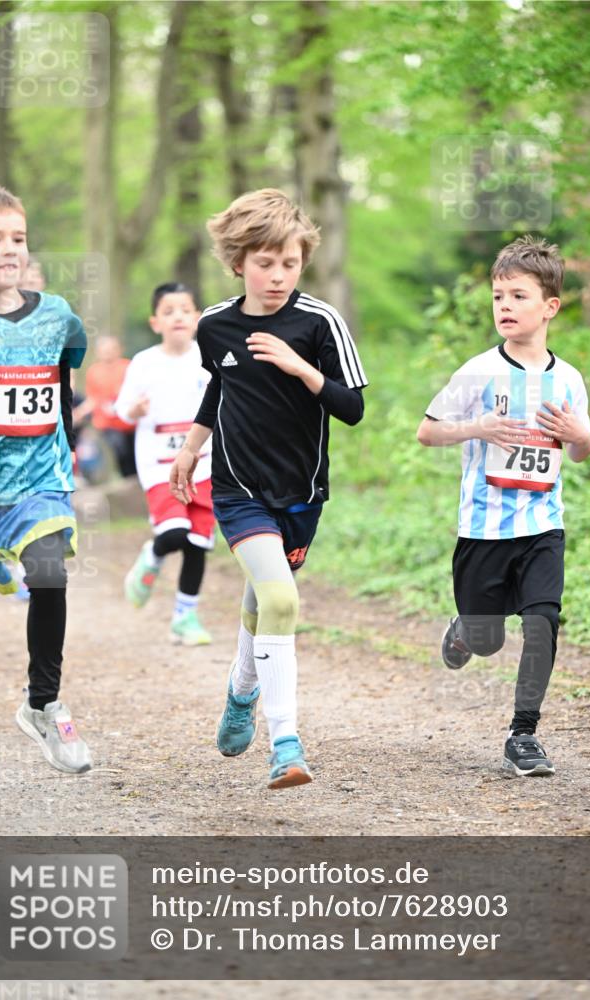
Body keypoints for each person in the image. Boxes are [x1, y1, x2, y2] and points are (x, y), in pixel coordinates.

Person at [169, 189, 368, 790]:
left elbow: (352, 408)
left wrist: (300, 368)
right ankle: (286, 743)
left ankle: (241, 688)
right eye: (265, 262)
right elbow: (220, 384)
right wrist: (191, 446)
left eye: (290, 262)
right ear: (238, 262)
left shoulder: (320, 322)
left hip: (302, 494)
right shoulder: (214, 325)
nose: (278, 275)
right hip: (237, 489)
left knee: (263, 603)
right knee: (280, 600)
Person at [417, 235, 590, 777]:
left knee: (543, 623)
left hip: (543, 526)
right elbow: (427, 432)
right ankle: (467, 630)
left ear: (549, 307)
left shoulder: (568, 380)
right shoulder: (477, 372)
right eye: (498, 297)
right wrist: (478, 427)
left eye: (518, 296)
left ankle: (523, 735)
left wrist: (579, 435)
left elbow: (583, 451)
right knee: (489, 640)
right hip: (483, 530)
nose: (505, 307)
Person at [0, 179, 92, 773]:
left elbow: (66, 374)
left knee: (49, 570)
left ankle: (43, 704)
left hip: (39, 484)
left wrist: (66, 439)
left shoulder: (58, 316)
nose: (10, 248)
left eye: (19, 237)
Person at [115, 282, 214, 645]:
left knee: (197, 544)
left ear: (197, 318)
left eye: (185, 310)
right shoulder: (144, 362)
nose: (178, 317)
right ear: (155, 322)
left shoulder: (209, 357)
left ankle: (185, 618)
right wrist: (133, 410)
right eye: (169, 311)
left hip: (205, 466)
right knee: (173, 534)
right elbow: (120, 408)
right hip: (160, 466)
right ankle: (152, 555)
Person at [84, 335, 136, 477]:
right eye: (104, 350)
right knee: (120, 449)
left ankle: (136, 481)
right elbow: (92, 398)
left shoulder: (128, 366)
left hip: (131, 421)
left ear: (119, 349)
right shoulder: (93, 372)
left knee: (135, 453)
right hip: (108, 423)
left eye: (111, 349)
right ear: (98, 352)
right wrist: (77, 413)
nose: (108, 353)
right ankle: (127, 480)